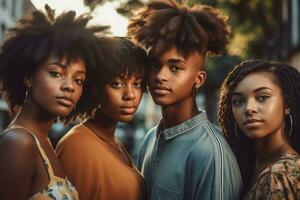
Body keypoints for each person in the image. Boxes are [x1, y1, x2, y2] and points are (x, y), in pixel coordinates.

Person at [128, 0, 242, 199]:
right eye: (155, 64)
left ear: (198, 79)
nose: (160, 76)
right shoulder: (149, 139)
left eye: (175, 67)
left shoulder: (211, 153)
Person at [0, 5, 104, 200]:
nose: (69, 86)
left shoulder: (44, 142)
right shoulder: (18, 143)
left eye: (78, 80)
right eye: (56, 73)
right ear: (28, 77)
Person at [56, 36, 149, 200]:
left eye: (137, 84)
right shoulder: (77, 145)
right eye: (117, 84)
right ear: (95, 87)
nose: (130, 95)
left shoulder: (113, 141)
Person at [218, 59, 300, 199]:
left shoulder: (279, 176)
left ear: (287, 104)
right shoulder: (243, 166)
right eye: (238, 101)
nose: (249, 109)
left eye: (262, 97)